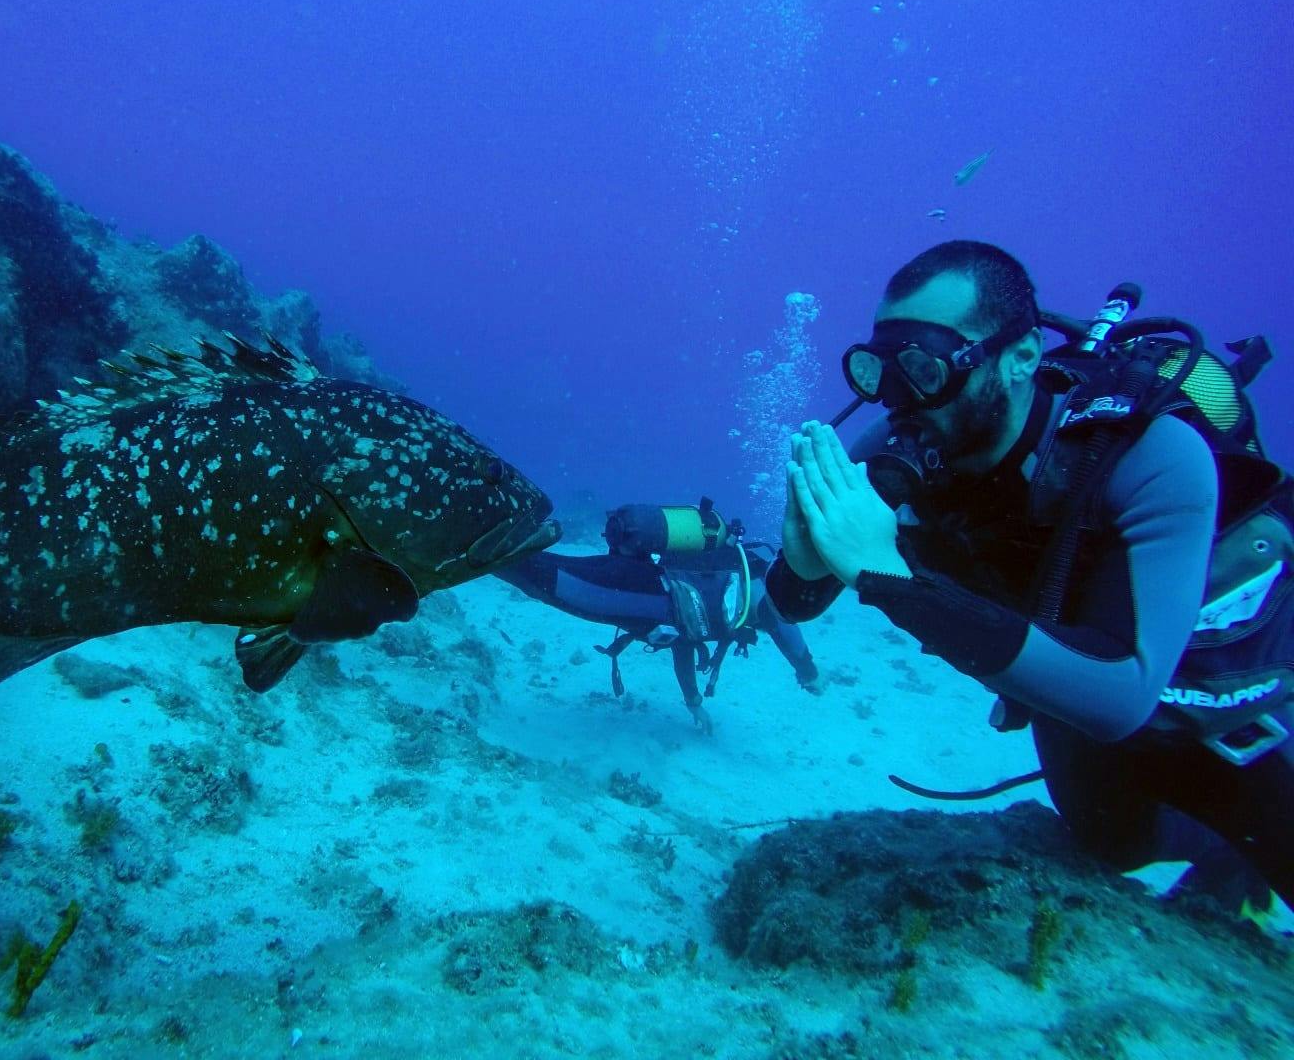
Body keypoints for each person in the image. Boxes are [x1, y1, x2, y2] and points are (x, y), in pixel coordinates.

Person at [767, 239, 1293, 911]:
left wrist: (891, 579)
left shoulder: (1150, 454)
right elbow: (798, 599)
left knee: (1265, 824)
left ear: (1020, 359)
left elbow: (1122, 697)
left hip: (1198, 668)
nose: (898, 400)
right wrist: (804, 563)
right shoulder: (901, 453)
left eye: (924, 368)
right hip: (1060, 657)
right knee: (1112, 840)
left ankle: (1245, 845)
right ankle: (1221, 859)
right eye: (879, 370)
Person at [497, 500, 819, 733]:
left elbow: (685, 642)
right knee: (556, 583)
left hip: (646, 582)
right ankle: (481, 543)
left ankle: (490, 541)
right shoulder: (766, 589)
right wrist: (808, 671)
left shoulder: (742, 572)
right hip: (649, 595)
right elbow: (782, 624)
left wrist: (693, 700)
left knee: (552, 577)